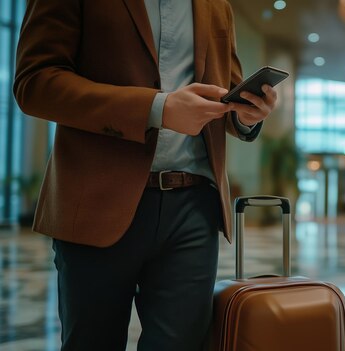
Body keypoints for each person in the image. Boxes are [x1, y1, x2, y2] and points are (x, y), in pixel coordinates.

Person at [13, 0, 278, 350]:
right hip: (97, 201)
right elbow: (35, 82)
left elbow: (226, 96)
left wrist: (246, 116)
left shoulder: (217, 4)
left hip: (194, 206)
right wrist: (157, 108)